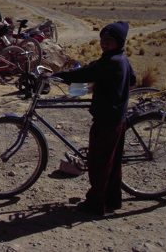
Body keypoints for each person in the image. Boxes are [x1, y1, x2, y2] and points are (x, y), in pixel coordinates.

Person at [53, 21, 136, 216]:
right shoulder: (120, 59)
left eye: (109, 39)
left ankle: (96, 205)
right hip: (117, 118)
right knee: (112, 163)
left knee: (99, 164)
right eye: (102, 39)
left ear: (119, 41)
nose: (104, 42)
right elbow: (131, 79)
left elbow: (87, 73)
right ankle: (113, 200)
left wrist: (59, 76)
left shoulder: (111, 62)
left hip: (107, 120)